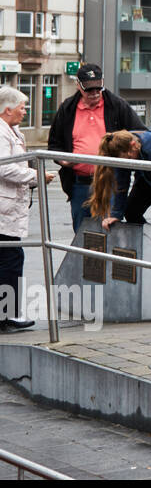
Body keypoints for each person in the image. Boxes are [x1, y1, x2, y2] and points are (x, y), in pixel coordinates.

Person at [47, 64, 146, 236]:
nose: (94, 93)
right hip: (80, 182)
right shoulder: (68, 108)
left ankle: (108, 263)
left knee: (109, 231)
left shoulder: (116, 105)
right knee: (82, 233)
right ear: (78, 86)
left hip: (110, 180)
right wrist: (64, 161)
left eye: (98, 89)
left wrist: (123, 154)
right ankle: (84, 262)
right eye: (89, 90)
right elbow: (54, 144)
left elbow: (140, 133)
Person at [0, 86, 57, 332]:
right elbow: (4, 167)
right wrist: (37, 175)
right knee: (11, 259)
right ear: (7, 109)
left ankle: (7, 315)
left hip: (9, 208)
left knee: (10, 258)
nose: (25, 111)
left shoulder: (12, 131)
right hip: (4, 209)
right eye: (22, 107)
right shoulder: (1, 133)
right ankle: (6, 316)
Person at [88, 130, 151, 230]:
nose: (129, 162)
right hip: (148, 176)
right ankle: (150, 237)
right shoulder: (122, 151)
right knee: (131, 212)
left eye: (129, 159)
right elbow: (121, 184)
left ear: (133, 145)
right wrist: (116, 214)